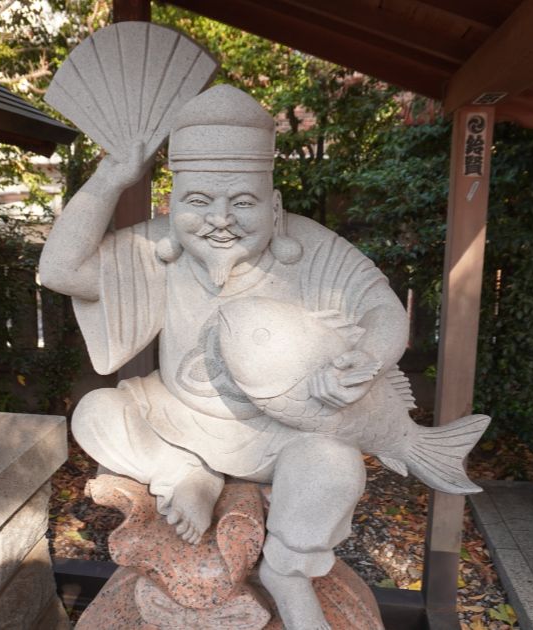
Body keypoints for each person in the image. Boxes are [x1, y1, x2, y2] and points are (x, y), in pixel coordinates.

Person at [39, 84, 409, 630]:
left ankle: (287, 571)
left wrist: (370, 358)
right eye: (198, 202)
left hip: (282, 431)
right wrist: (111, 177)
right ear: (173, 205)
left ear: (274, 205)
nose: (220, 219)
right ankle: (184, 473)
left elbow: (383, 309)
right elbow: (61, 271)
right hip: (177, 418)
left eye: (242, 202)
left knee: (334, 465)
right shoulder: (161, 247)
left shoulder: (307, 246)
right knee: (95, 412)